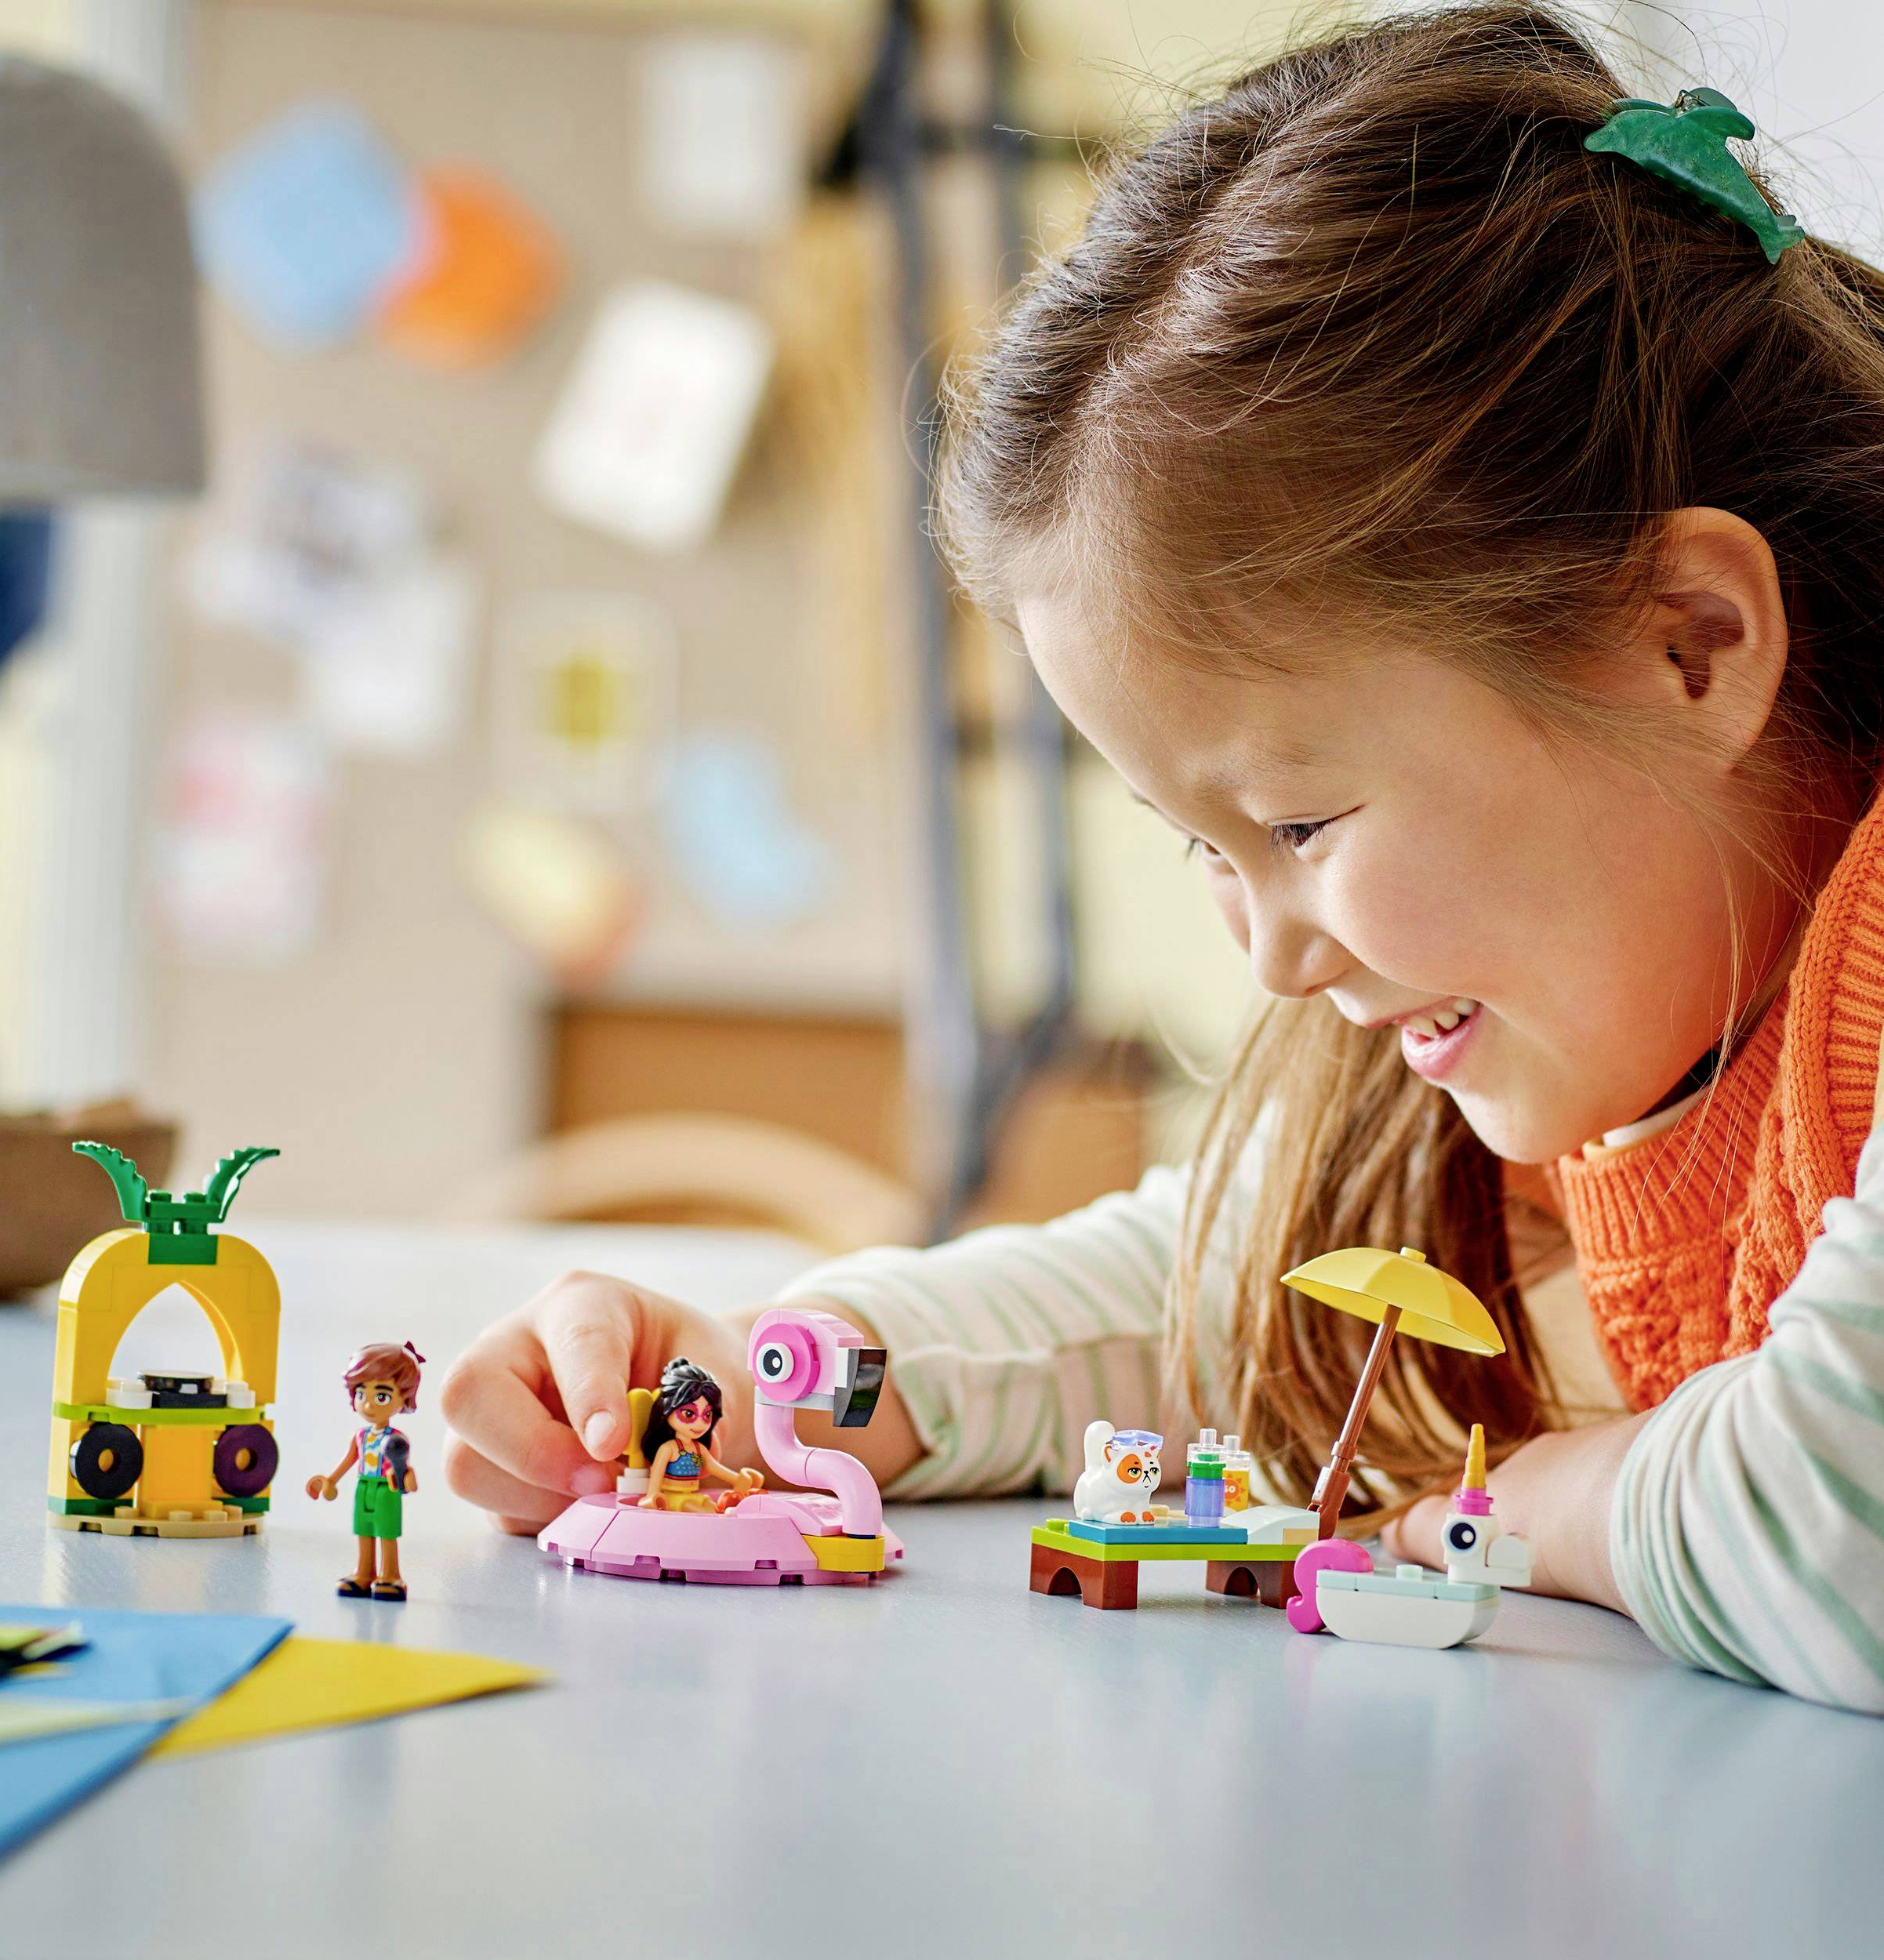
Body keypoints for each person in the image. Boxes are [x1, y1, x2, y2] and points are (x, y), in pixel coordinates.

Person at [441, 5, 1884, 1713]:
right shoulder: (1593, 991)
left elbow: (1832, 1526)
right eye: (1202, 844)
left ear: (1688, 644)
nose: (1267, 952)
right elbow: (1208, 1299)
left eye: (1297, 824)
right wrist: (789, 1378)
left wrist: (1546, 1500)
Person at [307, 1341, 425, 1600]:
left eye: (381, 1396)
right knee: (364, 1530)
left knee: (386, 1533)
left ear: (403, 1397)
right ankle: (364, 1572)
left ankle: (391, 1575)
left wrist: (408, 1477)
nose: (369, 1405)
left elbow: (403, 1464)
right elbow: (348, 1461)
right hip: (363, 1488)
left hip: (386, 1489)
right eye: (362, 1395)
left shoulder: (396, 1438)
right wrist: (330, 1480)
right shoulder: (361, 1436)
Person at [635, 1356, 765, 1512]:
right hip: (673, 1499)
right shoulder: (668, 1448)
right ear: (667, 1409)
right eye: (689, 1414)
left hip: (694, 1495)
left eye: (707, 1415)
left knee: (718, 1510)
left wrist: (738, 1479)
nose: (700, 1424)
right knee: (706, 1514)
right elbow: (657, 1474)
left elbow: (713, 1467)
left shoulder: (699, 1449)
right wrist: (653, 1495)